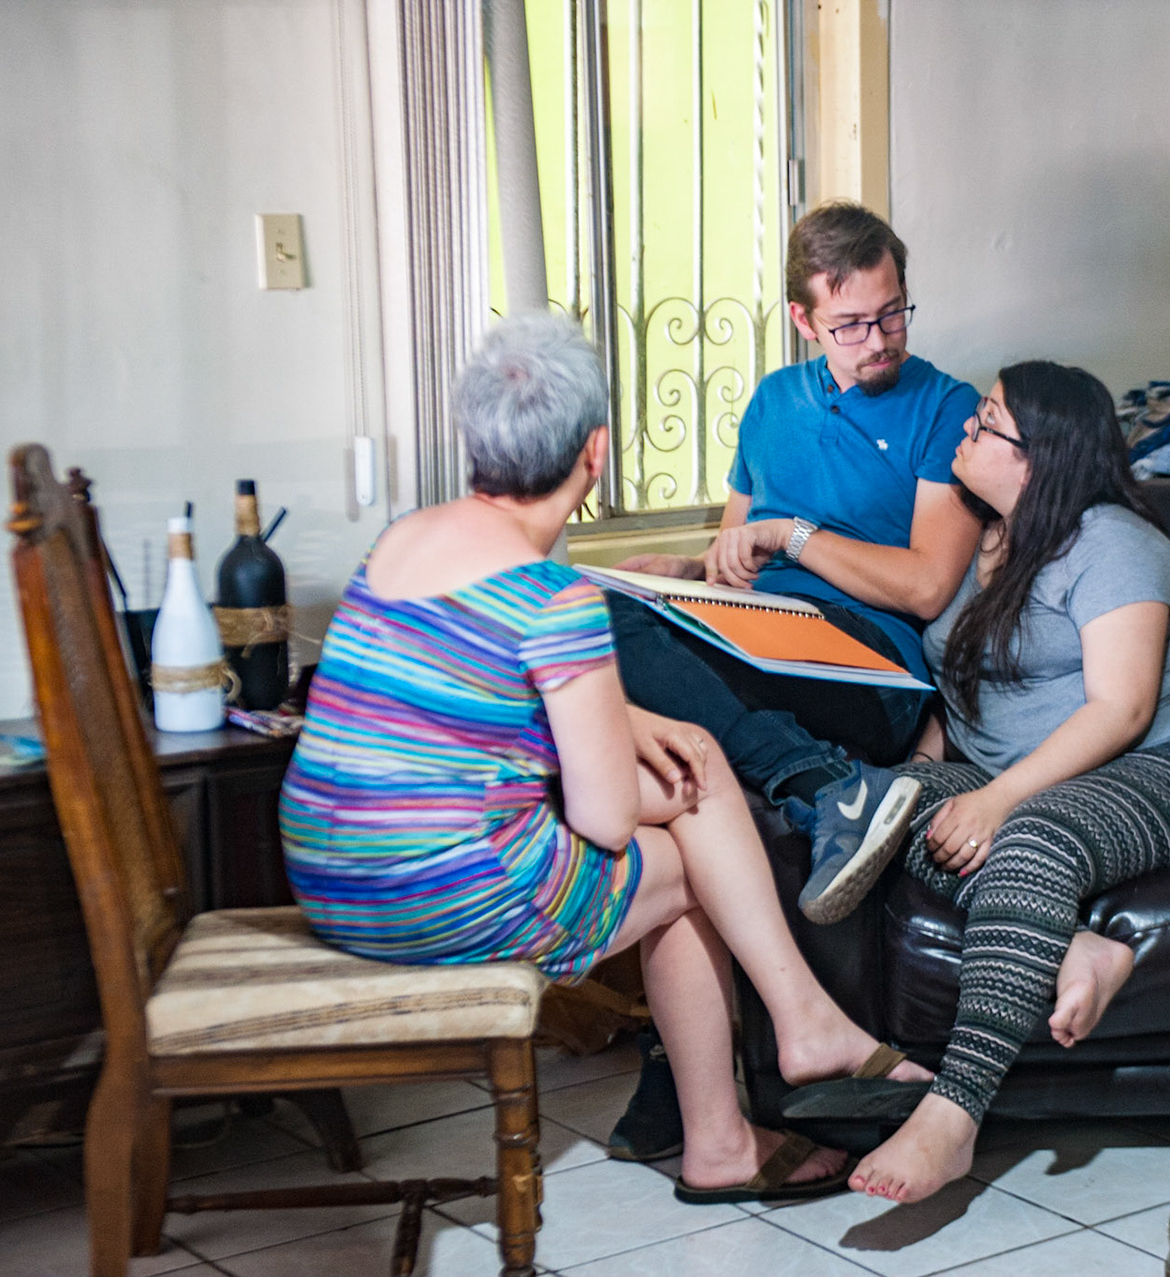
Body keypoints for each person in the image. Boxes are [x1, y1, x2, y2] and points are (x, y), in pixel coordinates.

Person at [278, 313, 928, 1204]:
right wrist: (650, 758)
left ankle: (787, 1048)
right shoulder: (555, 597)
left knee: (692, 767)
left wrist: (622, 716)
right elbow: (604, 820)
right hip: (432, 897)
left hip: (329, 879)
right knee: (695, 837)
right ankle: (755, 1093)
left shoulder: (401, 539)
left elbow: (466, 688)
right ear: (596, 451)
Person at [786, 361, 1170, 1203]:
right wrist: (920, 777)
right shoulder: (980, 541)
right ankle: (1072, 944)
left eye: (987, 422)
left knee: (1029, 835)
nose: (965, 429)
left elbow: (1123, 707)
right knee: (878, 804)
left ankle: (953, 1113)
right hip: (1024, 777)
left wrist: (998, 799)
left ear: (1039, 456)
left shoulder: (1112, 542)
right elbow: (963, 692)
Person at [610, 201, 982, 923]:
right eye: (850, 325)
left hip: (872, 666)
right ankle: (822, 783)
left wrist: (793, 535)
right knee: (591, 613)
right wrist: (686, 571)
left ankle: (826, 784)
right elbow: (733, 558)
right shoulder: (773, 401)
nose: (879, 340)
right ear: (803, 321)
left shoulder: (946, 408)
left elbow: (929, 586)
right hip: (762, 627)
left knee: (661, 678)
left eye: (893, 314)